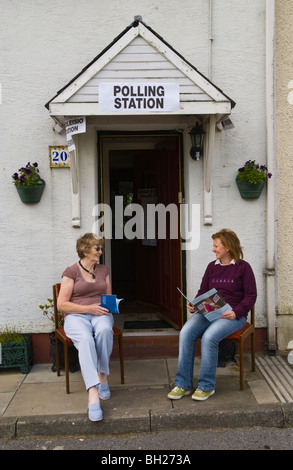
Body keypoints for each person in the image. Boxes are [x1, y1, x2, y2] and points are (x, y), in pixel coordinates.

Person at [168, 228, 257, 401]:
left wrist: (236, 312)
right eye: (214, 246)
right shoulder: (212, 267)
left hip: (232, 314)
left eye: (216, 246)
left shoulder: (243, 268)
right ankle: (183, 384)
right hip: (210, 309)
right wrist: (194, 304)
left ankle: (206, 386)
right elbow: (203, 291)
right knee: (186, 332)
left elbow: (251, 295)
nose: (213, 249)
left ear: (228, 248)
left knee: (209, 337)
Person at [57, 233, 113, 422]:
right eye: (97, 248)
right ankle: (93, 391)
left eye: (101, 248)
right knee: (86, 340)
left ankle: (103, 375)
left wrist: (110, 306)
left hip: (99, 314)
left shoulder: (103, 270)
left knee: (105, 331)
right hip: (76, 315)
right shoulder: (71, 272)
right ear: (84, 250)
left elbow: (108, 296)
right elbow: (62, 304)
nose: (100, 251)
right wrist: (88, 308)